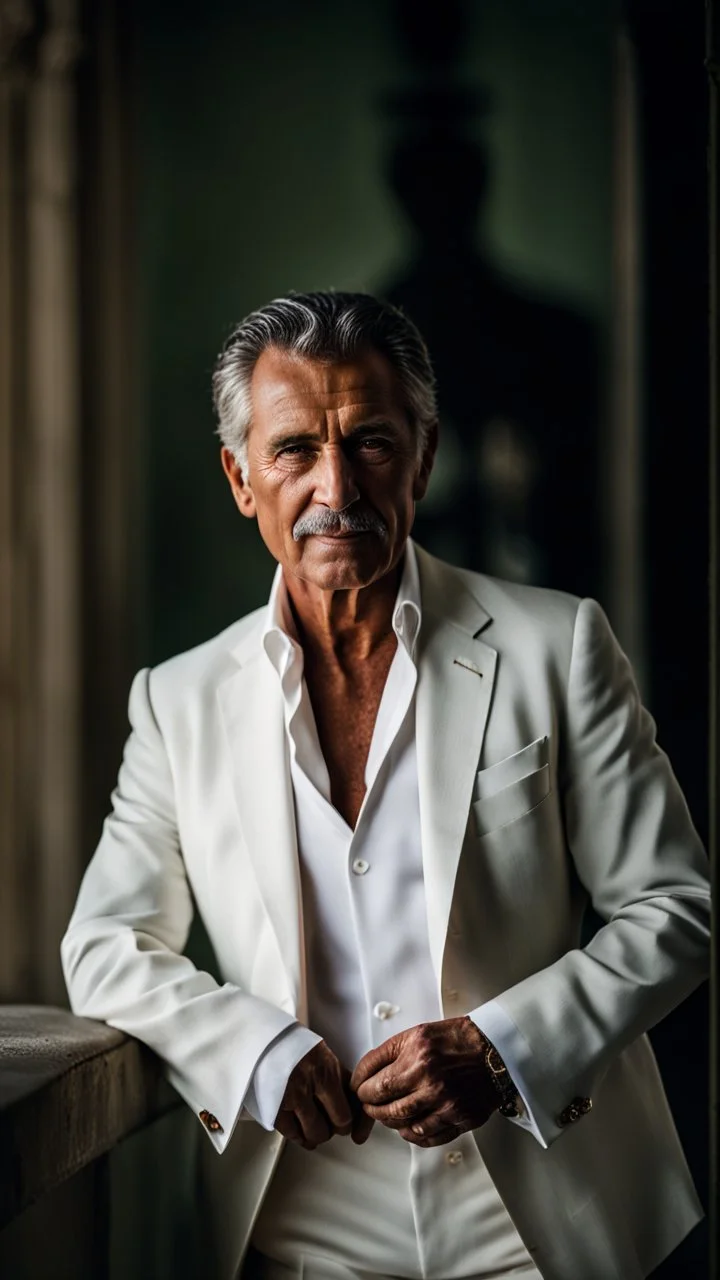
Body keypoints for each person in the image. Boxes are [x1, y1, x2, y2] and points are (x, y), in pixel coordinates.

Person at [61, 292, 710, 1280]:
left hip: (543, 1227)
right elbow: (105, 944)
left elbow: (676, 907)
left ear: (425, 454)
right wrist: (254, 1049)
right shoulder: (178, 699)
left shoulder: (557, 643)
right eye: (294, 451)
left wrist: (499, 1050)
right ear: (241, 477)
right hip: (296, 1232)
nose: (336, 485)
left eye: (369, 442)